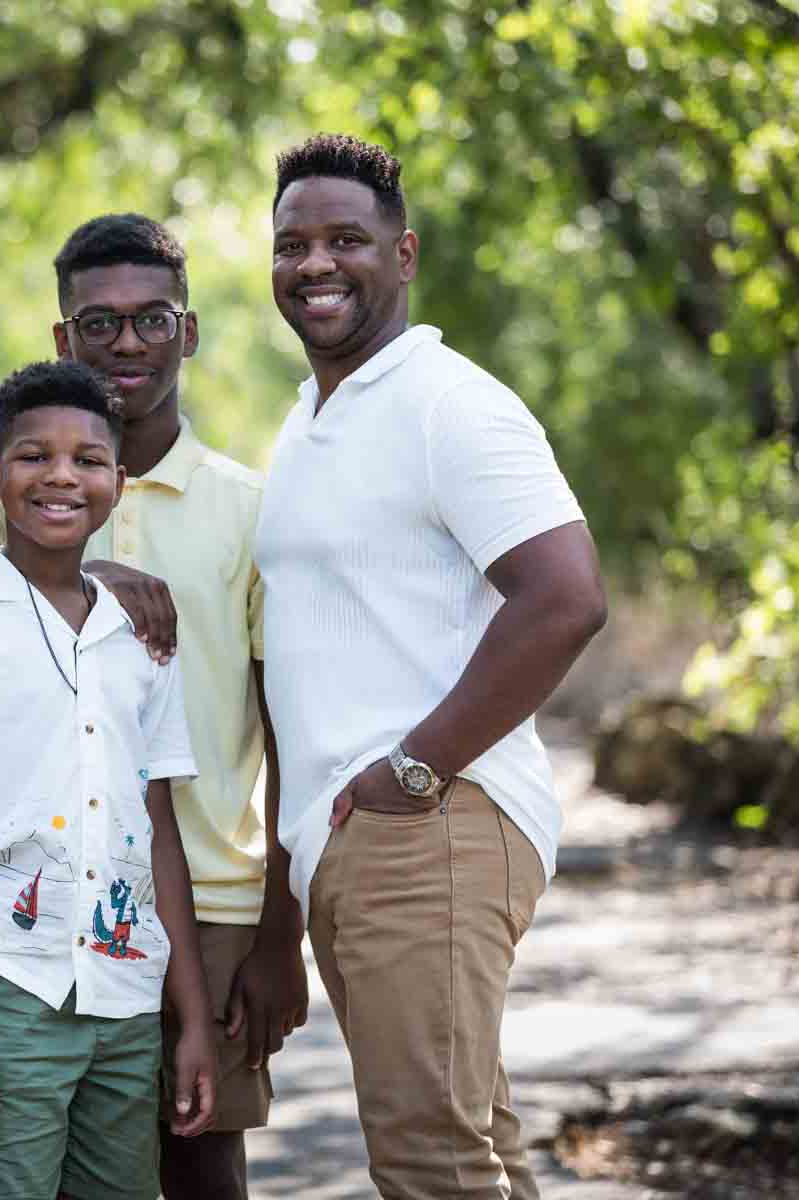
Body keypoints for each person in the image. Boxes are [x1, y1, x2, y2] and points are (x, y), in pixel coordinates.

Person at [255, 133, 609, 1199]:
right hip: (360, 840)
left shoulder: (449, 403)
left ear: (403, 256)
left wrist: (415, 769)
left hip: (433, 822)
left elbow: (567, 597)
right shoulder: (312, 418)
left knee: (428, 1157)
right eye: (292, 244)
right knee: (471, 1149)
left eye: (346, 240)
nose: (316, 264)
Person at [0, 214, 306, 1200]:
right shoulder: (1, 506)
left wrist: (285, 929)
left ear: (187, 332)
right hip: (42, 899)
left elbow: (288, 731)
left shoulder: (248, 506)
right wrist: (81, 569)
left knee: (201, 1162)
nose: (127, 344)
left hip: (219, 897)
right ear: (62, 340)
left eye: (152, 319)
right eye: (98, 324)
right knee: (57, 1166)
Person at [0, 359, 217, 1200]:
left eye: (88, 460)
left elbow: (159, 833)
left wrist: (192, 1019)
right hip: (3, 990)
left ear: (119, 481)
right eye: (33, 456)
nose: (61, 476)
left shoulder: (142, 638)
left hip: (125, 992)